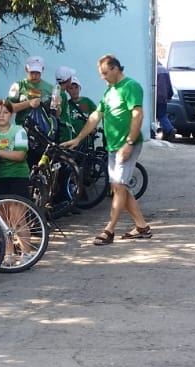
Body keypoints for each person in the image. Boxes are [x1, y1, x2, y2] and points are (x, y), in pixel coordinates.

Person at [61, 55, 152, 245]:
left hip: (127, 144)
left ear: (115, 69)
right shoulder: (110, 90)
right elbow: (96, 115)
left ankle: (109, 230)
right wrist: (78, 139)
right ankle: (141, 227)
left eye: (104, 73)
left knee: (118, 186)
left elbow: (138, 115)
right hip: (113, 146)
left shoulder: (131, 86)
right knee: (119, 187)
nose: (102, 77)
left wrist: (129, 143)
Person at [0, 100, 34, 265]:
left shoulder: (18, 131)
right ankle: (9, 254)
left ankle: (26, 253)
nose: (2, 116)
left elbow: (20, 155)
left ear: (11, 115)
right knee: (3, 220)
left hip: (18, 176)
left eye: (5, 112)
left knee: (17, 219)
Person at [8, 56, 65, 151]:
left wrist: (58, 105)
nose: (34, 76)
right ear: (26, 69)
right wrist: (29, 103)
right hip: (22, 132)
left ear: (42, 69)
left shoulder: (50, 88)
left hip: (43, 135)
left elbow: (56, 115)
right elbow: (8, 109)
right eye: (32, 72)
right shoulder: (18, 86)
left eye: (37, 73)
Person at [155, 59, 176, 141]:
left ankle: (170, 129)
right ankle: (166, 133)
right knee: (163, 115)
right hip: (164, 97)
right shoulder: (164, 69)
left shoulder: (153, 70)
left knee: (160, 115)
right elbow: (169, 84)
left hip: (156, 97)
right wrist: (170, 95)